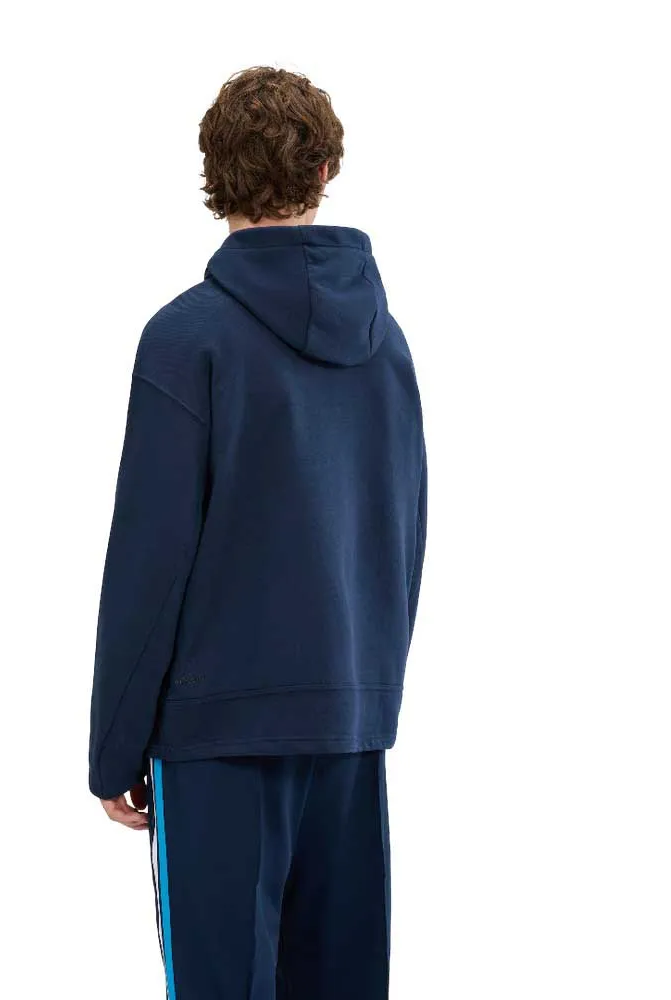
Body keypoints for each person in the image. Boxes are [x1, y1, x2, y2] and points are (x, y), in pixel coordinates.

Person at [88, 65, 427, 999]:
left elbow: (151, 560)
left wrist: (114, 748)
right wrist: (368, 691)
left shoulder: (186, 339)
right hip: (350, 724)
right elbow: (404, 531)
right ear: (325, 170)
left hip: (219, 738)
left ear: (215, 176)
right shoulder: (386, 342)